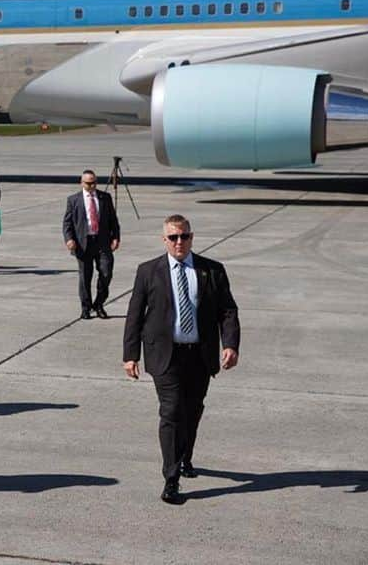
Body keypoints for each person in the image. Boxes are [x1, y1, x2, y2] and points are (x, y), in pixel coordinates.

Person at [123, 214, 240, 505]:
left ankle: (186, 456)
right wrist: (130, 355)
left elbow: (227, 310)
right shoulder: (148, 271)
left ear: (191, 237)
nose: (179, 242)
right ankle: (171, 479)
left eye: (184, 236)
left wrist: (231, 345)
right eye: (173, 237)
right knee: (172, 412)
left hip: (199, 355)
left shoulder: (212, 270)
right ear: (164, 240)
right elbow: (135, 314)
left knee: (192, 410)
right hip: (165, 354)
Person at [63, 169, 121, 319]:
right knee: (85, 277)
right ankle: (86, 307)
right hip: (83, 243)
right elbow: (67, 223)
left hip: (102, 242)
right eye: (88, 183)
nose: (92, 186)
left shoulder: (105, 198)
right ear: (81, 183)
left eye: (94, 182)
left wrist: (116, 237)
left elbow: (113, 220)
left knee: (106, 273)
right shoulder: (73, 200)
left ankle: (99, 304)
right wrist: (69, 239)